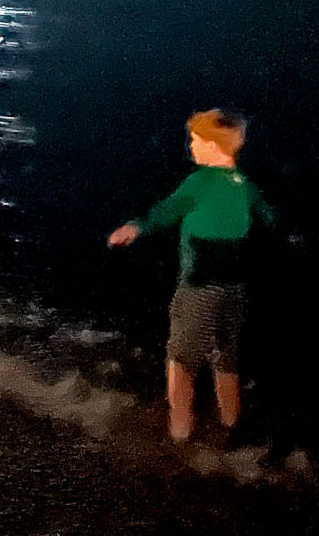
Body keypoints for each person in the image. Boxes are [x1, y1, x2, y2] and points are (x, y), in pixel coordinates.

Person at [109, 109, 276, 443]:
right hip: (234, 288)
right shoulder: (245, 185)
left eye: (196, 140)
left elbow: (168, 210)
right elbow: (269, 220)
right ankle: (231, 425)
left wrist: (137, 226)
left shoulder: (201, 181)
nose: (191, 146)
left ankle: (180, 432)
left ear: (214, 145)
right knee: (224, 357)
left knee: (181, 359)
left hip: (200, 285)